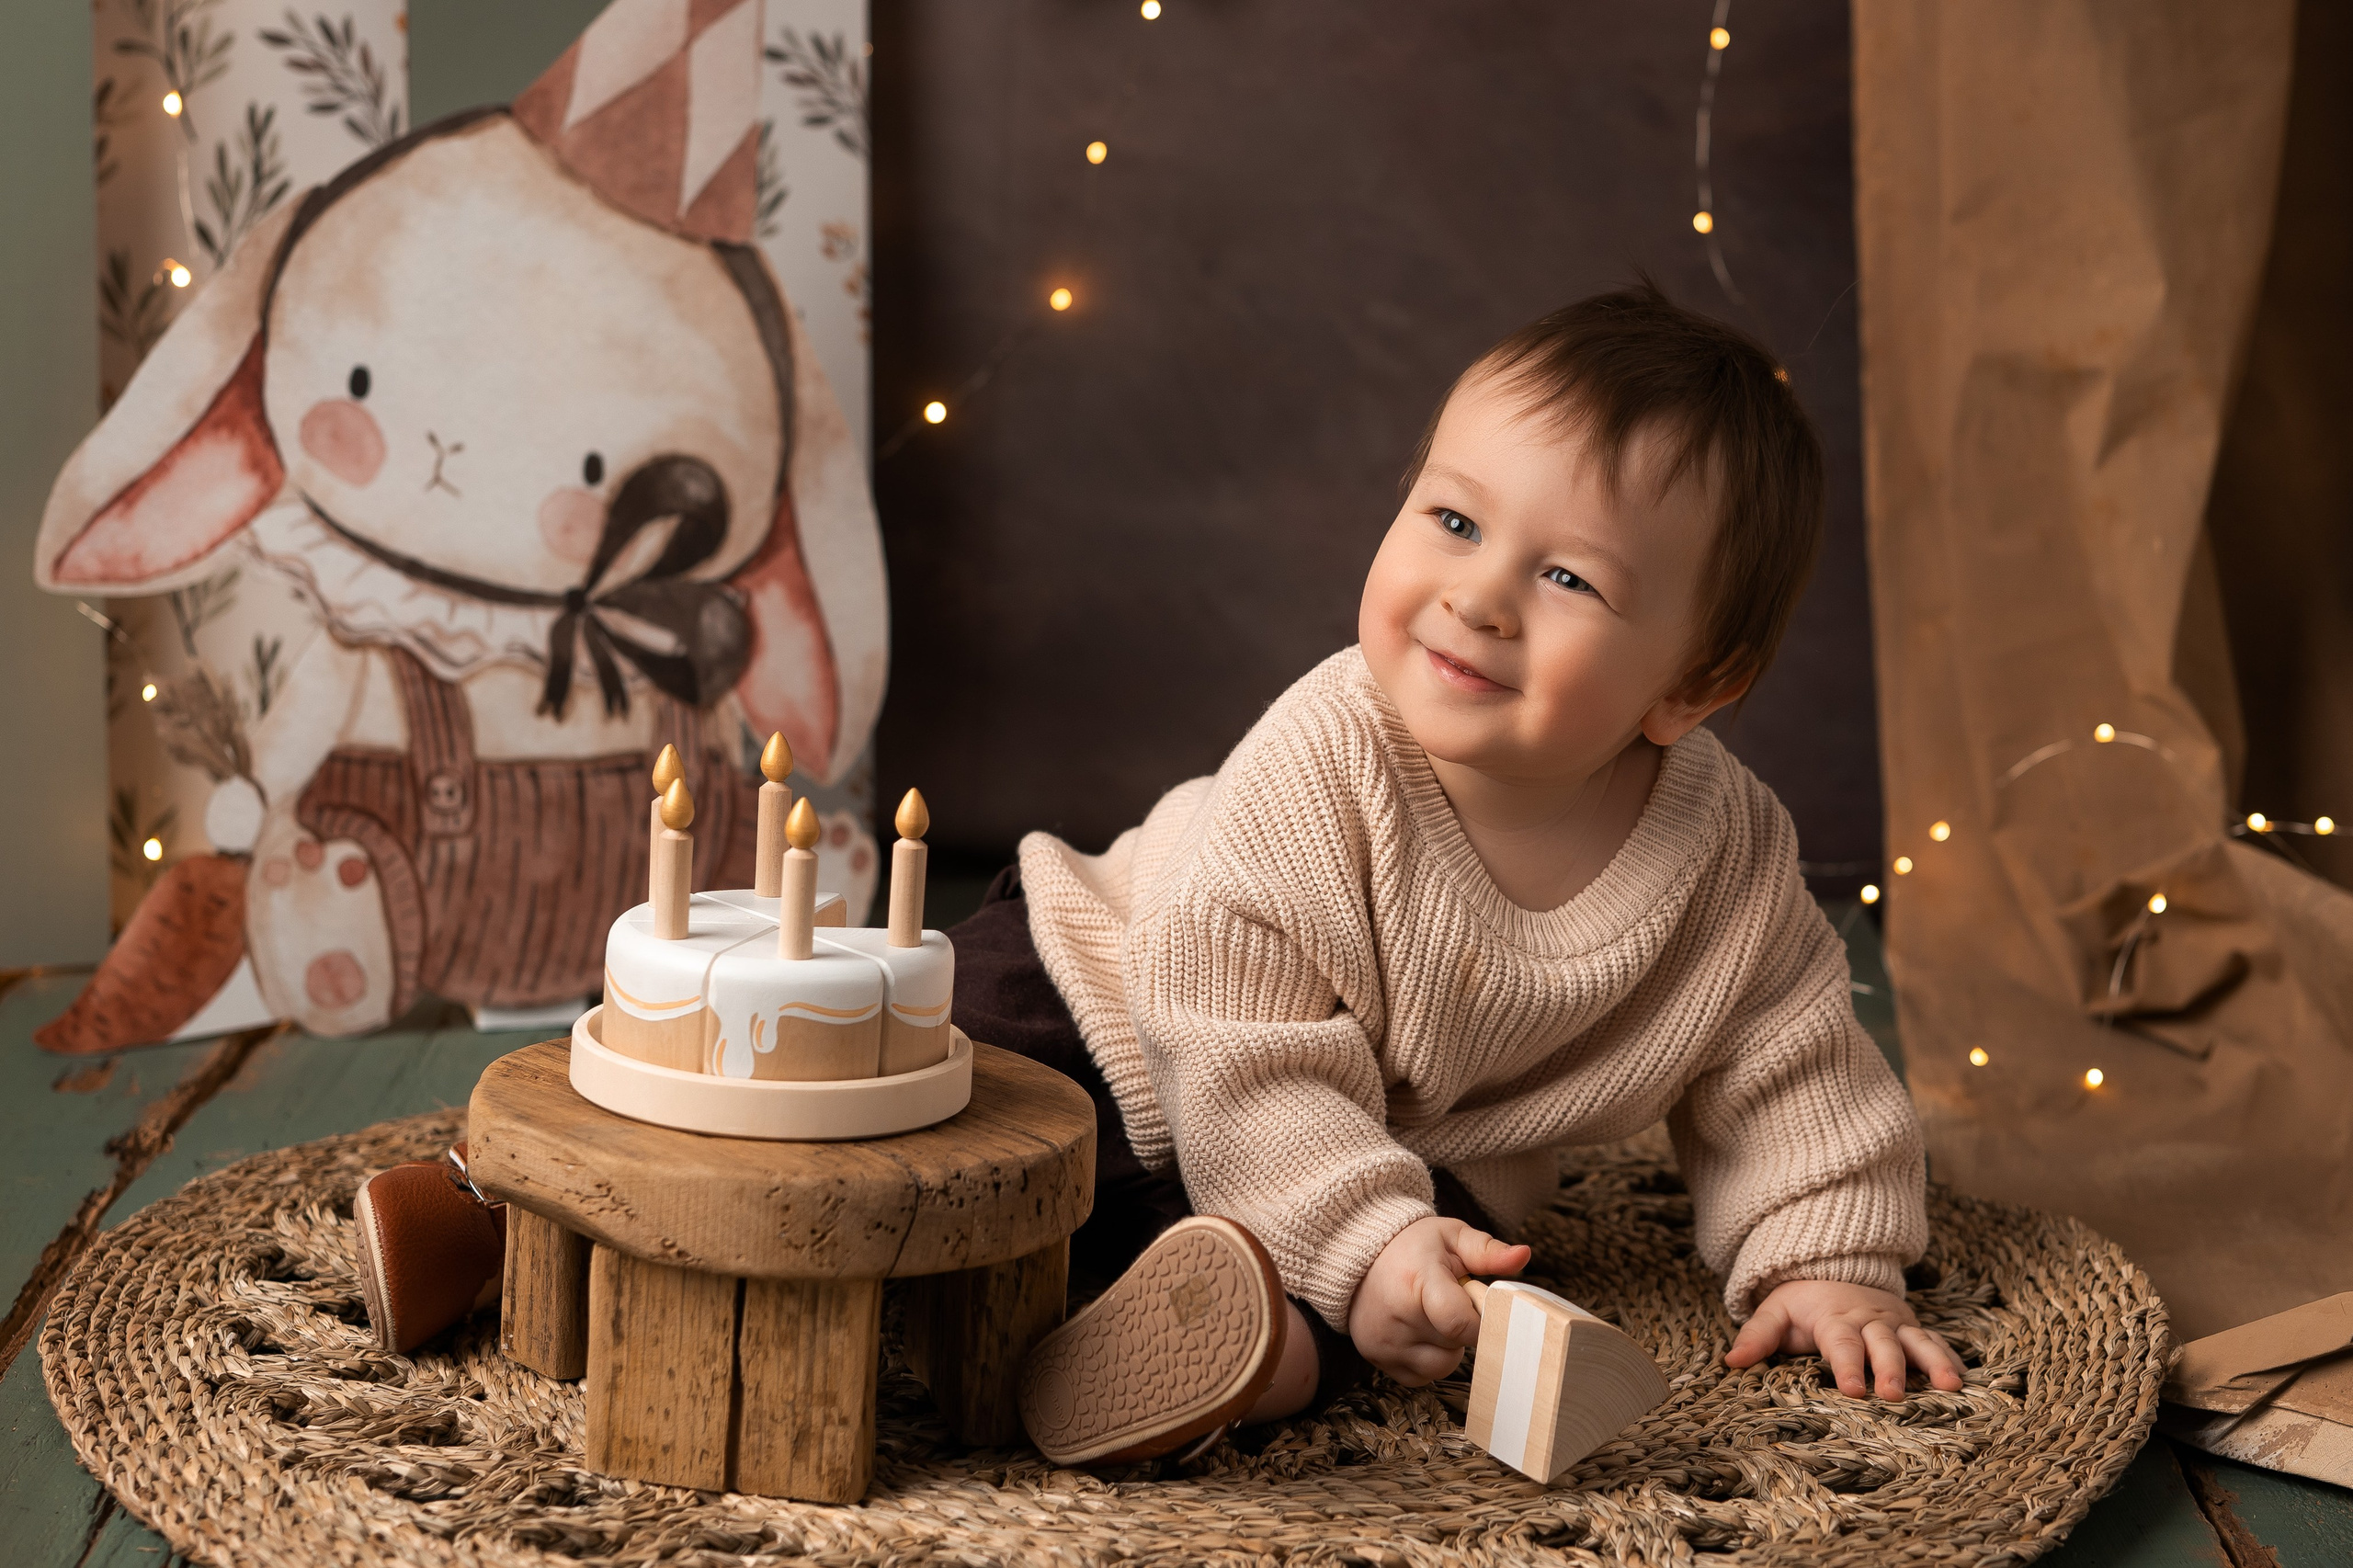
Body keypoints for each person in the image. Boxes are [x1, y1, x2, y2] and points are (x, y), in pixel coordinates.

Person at [964, 282, 1966, 1468]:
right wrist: (1357, 1226)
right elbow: (1235, 1039)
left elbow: (1790, 1057)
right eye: (1454, 521)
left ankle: (1237, 1351)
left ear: (1691, 685)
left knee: (1425, 1300)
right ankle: (957, 1249)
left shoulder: (1725, 859)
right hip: (1116, 995)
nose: (1480, 596)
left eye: (1569, 580)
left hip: (1389, 1145)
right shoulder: (1326, 756)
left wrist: (1825, 1261)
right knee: (960, 1066)